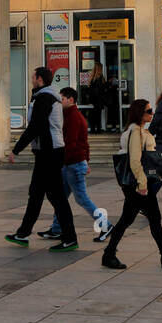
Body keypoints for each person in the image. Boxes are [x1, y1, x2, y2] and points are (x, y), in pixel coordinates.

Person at [101, 99, 162, 270]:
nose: (152, 113)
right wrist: (142, 183)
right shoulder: (135, 132)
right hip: (138, 184)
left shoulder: (139, 131)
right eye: (149, 111)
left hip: (137, 184)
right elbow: (134, 161)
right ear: (140, 113)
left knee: (135, 219)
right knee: (145, 219)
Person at [5, 67, 78, 252]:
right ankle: (22, 234)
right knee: (36, 193)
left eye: (33, 76)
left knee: (56, 197)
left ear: (39, 79)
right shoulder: (43, 96)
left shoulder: (45, 98)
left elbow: (35, 127)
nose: (31, 79)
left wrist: (16, 150)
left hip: (50, 152)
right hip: (46, 152)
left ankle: (70, 238)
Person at [39, 87, 113, 242]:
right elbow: (84, 144)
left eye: (62, 99)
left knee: (82, 199)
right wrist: (86, 161)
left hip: (72, 164)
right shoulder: (69, 115)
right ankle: (57, 229)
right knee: (60, 198)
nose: (59, 102)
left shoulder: (73, 117)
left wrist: (66, 161)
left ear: (71, 100)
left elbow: (70, 144)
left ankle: (106, 225)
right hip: (71, 164)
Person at [86, 65, 106, 133]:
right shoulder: (100, 78)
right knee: (97, 115)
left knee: (92, 115)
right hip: (98, 100)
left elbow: (91, 90)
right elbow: (100, 90)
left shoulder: (92, 78)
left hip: (93, 100)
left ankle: (93, 129)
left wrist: (90, 100)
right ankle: (98, 129)